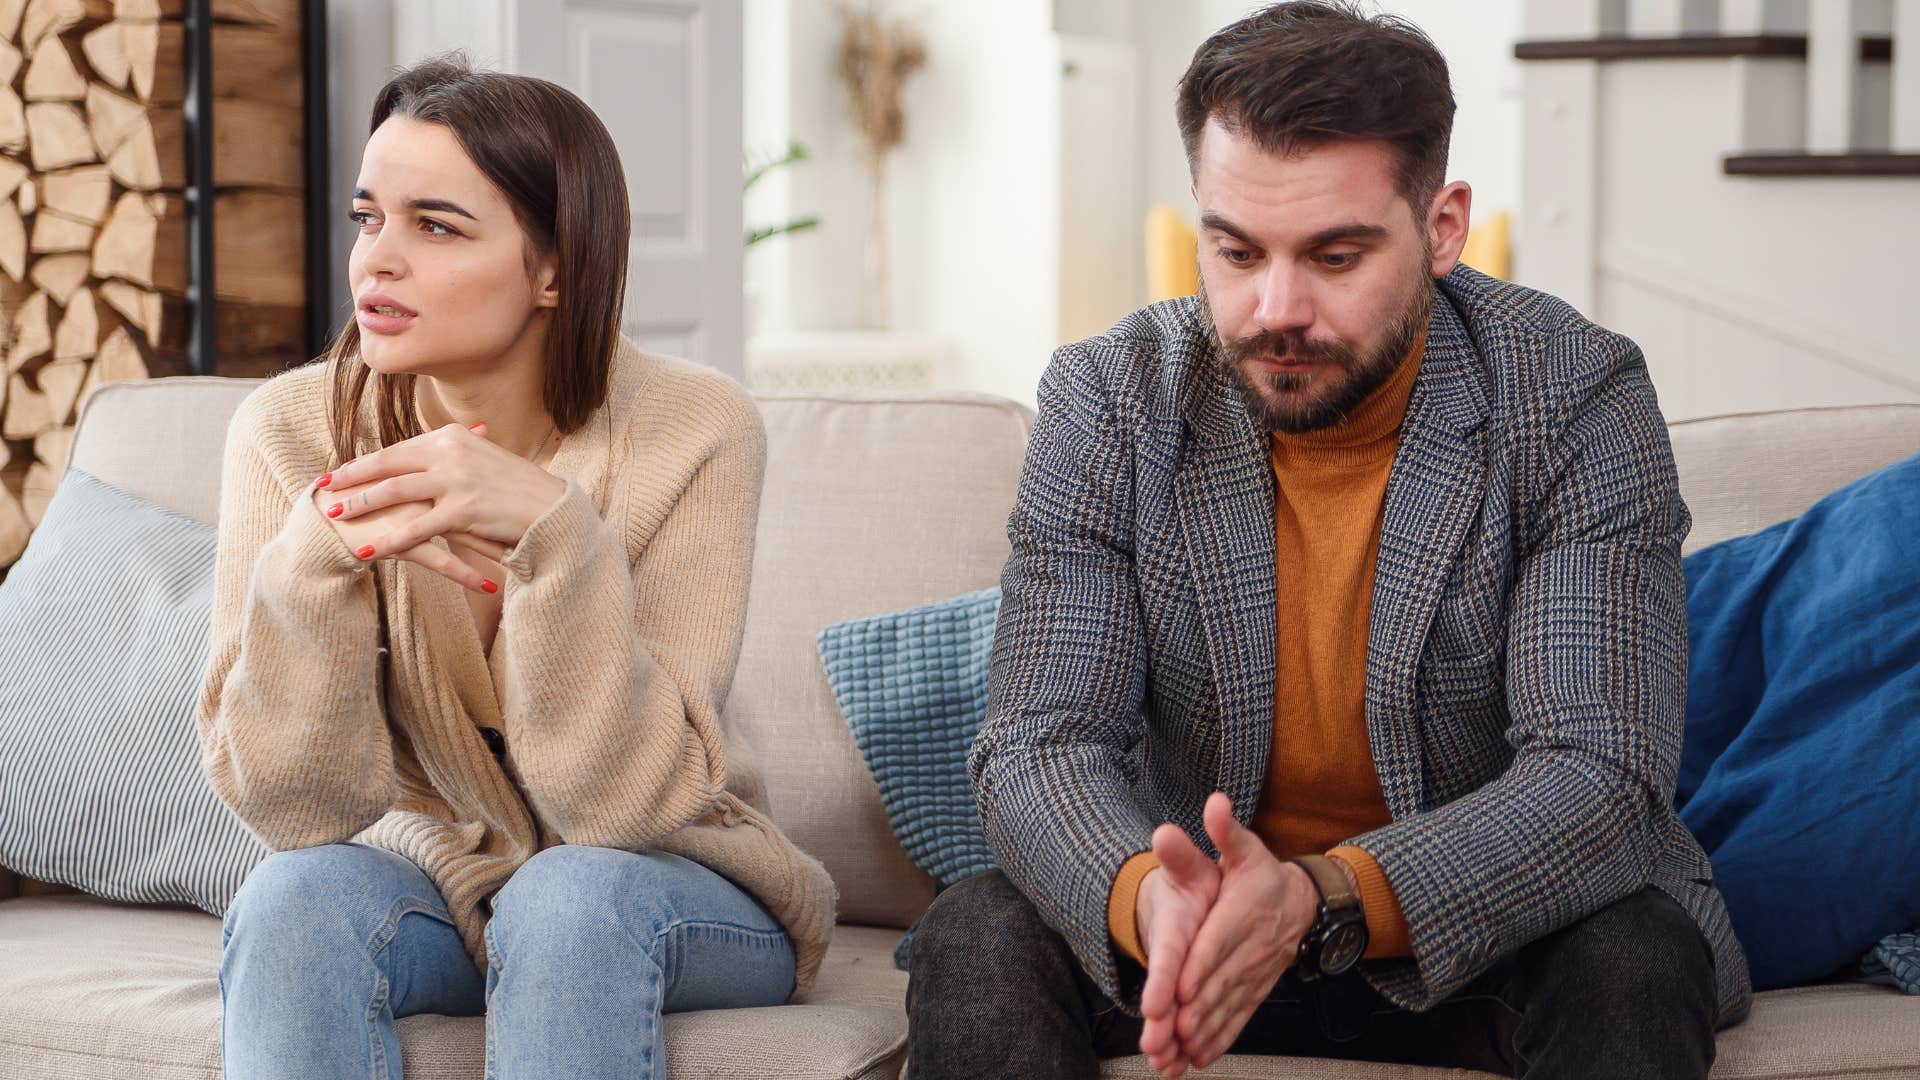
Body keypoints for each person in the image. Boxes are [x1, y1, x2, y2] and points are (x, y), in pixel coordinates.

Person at [906, 4, 1750, 1077]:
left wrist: (1317, 896)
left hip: (1480, 934)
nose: (1277, 308)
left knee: (1634, 954)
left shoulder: (1574, 395)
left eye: (1336, 254)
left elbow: (1597, 775)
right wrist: (1150, 898)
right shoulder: (1110, 398)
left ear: (1442, 227)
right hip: (1192, 938)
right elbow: (1040, 741)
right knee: (977, 929)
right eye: (1237, 251)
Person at [197, 55, 835, 1080]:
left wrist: (562, 544)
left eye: (435, 226)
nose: (377, 264)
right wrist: (312, 565)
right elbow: (296, 813)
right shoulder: (287, 431)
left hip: (672, 879)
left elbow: (619, 812)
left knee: (571, 896)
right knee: (290, 901)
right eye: (369, 219)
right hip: (442, 875)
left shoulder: (696, 429)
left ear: (556, 267)